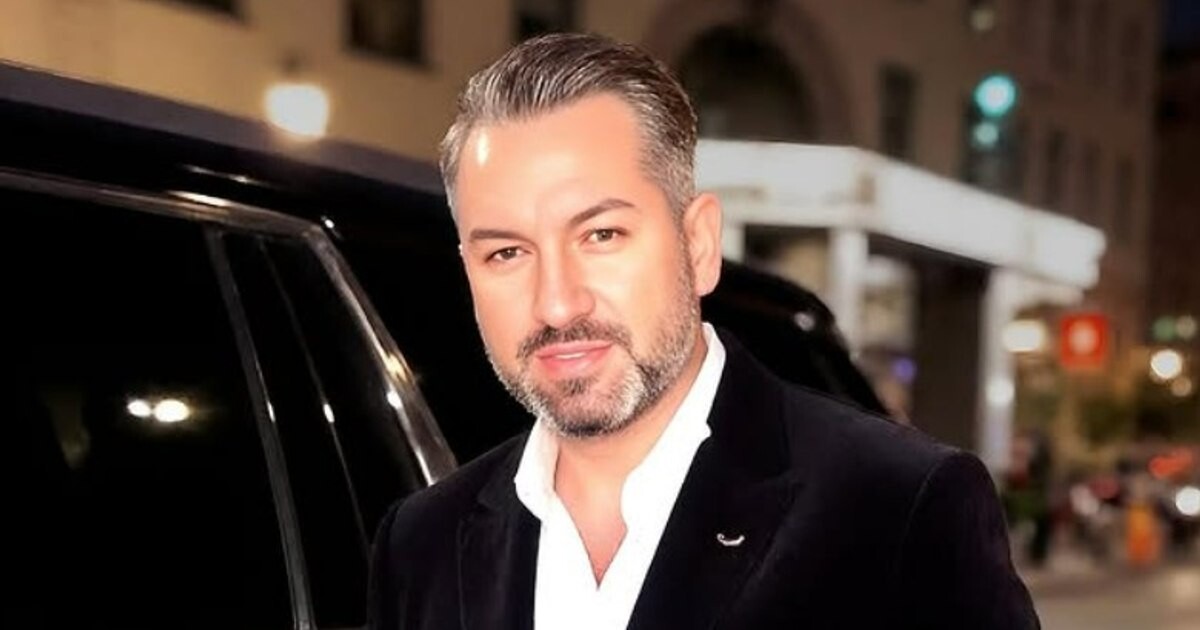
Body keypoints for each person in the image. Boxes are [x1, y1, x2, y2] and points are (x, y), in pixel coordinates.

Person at [368, 33, 1039, 629]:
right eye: (507, 253)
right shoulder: (423, 542)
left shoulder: (896, 508)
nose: (557, 304)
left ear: (699, 244)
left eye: (602, 235)